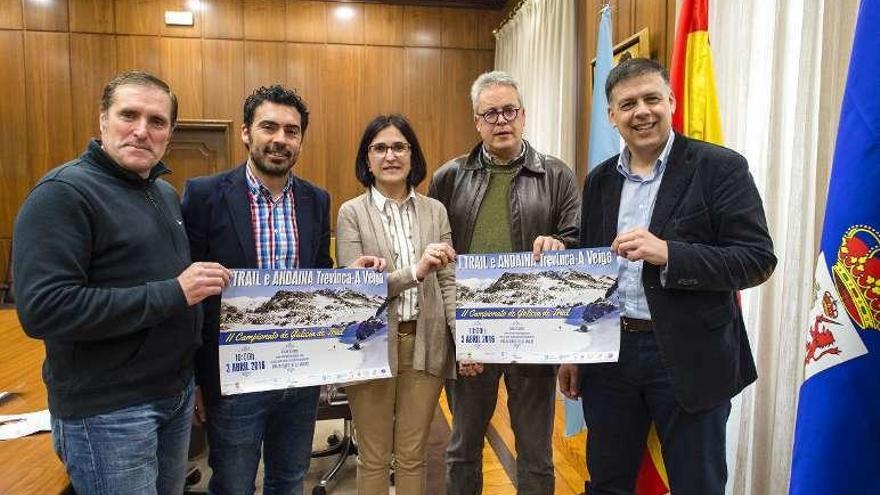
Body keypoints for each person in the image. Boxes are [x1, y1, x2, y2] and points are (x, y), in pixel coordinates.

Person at [558, 57, 777, 495]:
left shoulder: (720, 167)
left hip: (691, 355)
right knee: (607, 481)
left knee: (698, 484)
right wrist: (574, 349)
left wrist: (669, 254)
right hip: (611, 356)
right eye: (628, 103)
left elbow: (756, 259)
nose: (641, 111)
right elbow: (593, 268)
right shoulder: (599, 181)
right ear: (612, 116)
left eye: (651, 98)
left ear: (671, 102)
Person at [12, 70, 229, 494]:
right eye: (129, 115)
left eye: (157, 121)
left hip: (174, 394)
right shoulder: (62, 194)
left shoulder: (162, 193)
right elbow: (44, 310)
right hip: (109, 412)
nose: (142, 131)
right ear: (102, 121)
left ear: (170, 132)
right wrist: (175, 292)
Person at [181, 85, 381, 494]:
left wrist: (348, 275)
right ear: (245, 132)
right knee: (234, 484)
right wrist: (195, 377)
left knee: (289, 480)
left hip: (299, 373)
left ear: (301, 140)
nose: (280, 139)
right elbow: (191, 298)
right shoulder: (203, 195)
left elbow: (317, 275)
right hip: (233, 377)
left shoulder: (315, 199)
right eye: (268, 127)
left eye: (291, 131)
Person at [429, 71, 580, 495]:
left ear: (523, 115)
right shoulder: (449, 178)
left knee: (535, 451)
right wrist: (454, 333)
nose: (501, 121)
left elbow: (579, 240)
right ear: (476, 121)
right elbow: (436, 254)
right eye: (490, 113)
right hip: (471, 332)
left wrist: (561, 243)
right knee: (462, 447)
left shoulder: (556, 175)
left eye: (508, 111)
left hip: (534, 332)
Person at [336, 114, 457, 494]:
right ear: (367, 158)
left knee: (412, 454)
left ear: (412, 155)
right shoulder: (351, 213)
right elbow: (360, 292)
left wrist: (465, 341)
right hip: (372, 348)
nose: (390, 155)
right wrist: (416, 271)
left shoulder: (435, 210)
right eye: (380, 148)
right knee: (373, 456)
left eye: (399, 146)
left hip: (426, 343)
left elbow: (449, 281)